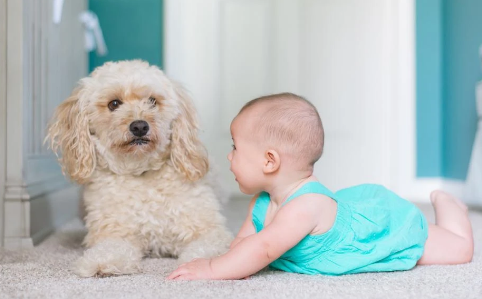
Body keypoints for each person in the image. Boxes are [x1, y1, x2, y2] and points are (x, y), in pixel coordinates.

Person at [167, 92, 474, 280]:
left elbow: (264, 248)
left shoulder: (305, 207)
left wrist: (212, 269)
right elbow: (245, 245)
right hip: (344, 213)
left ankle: (449, 205)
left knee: (459, 250)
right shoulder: (261, 202)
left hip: (378, 229)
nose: (229, 156)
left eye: (236, 148)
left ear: (270, 161)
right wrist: (233, 264)